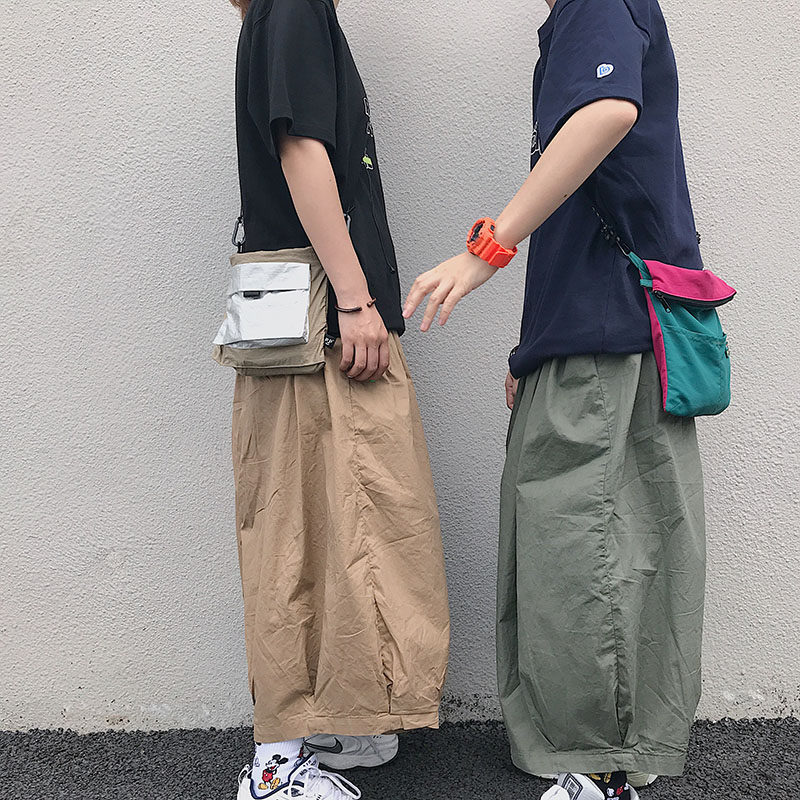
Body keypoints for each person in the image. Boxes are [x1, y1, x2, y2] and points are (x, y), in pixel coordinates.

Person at [404, 0, 707, 798]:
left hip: (606, 335)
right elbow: (591, 208)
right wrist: (534, 345)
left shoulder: (595, 3)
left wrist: (488, 249)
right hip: (600, 329)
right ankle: (611, 757)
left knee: (581, 549)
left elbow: (607, 112)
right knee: (606, 542)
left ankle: (597, 768)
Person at [225, 0, 450, 798]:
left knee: (323, 528)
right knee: (307, 531)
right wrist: (355, 301)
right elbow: (300, 149)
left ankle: (333, 726)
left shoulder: (281, 12)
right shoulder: (293, 7)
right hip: (321, 327)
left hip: (307, 326)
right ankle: (278, 765)